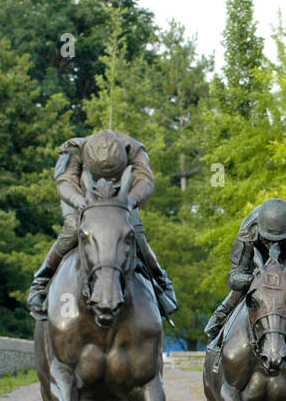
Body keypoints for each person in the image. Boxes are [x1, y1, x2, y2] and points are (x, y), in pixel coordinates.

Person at [27, 129, 178, 320]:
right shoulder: (74, 148)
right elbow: (65, 180)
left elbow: (145, 179)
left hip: (121, 198)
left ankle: (161, 282)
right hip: (81, 195)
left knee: (135, 233)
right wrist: (78, 201)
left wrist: (130, 200)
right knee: (72, 229)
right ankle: (41, 281)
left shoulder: (135, 149)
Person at [204, 197, 286, 355]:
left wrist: (283, 280)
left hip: (285, 266)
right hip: (255, 267)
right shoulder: (248, 230)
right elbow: (234, 278)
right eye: (268, 238)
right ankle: (218, 322)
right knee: (238, 292)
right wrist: (258, 279)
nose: (272, 243)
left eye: (278, 239)